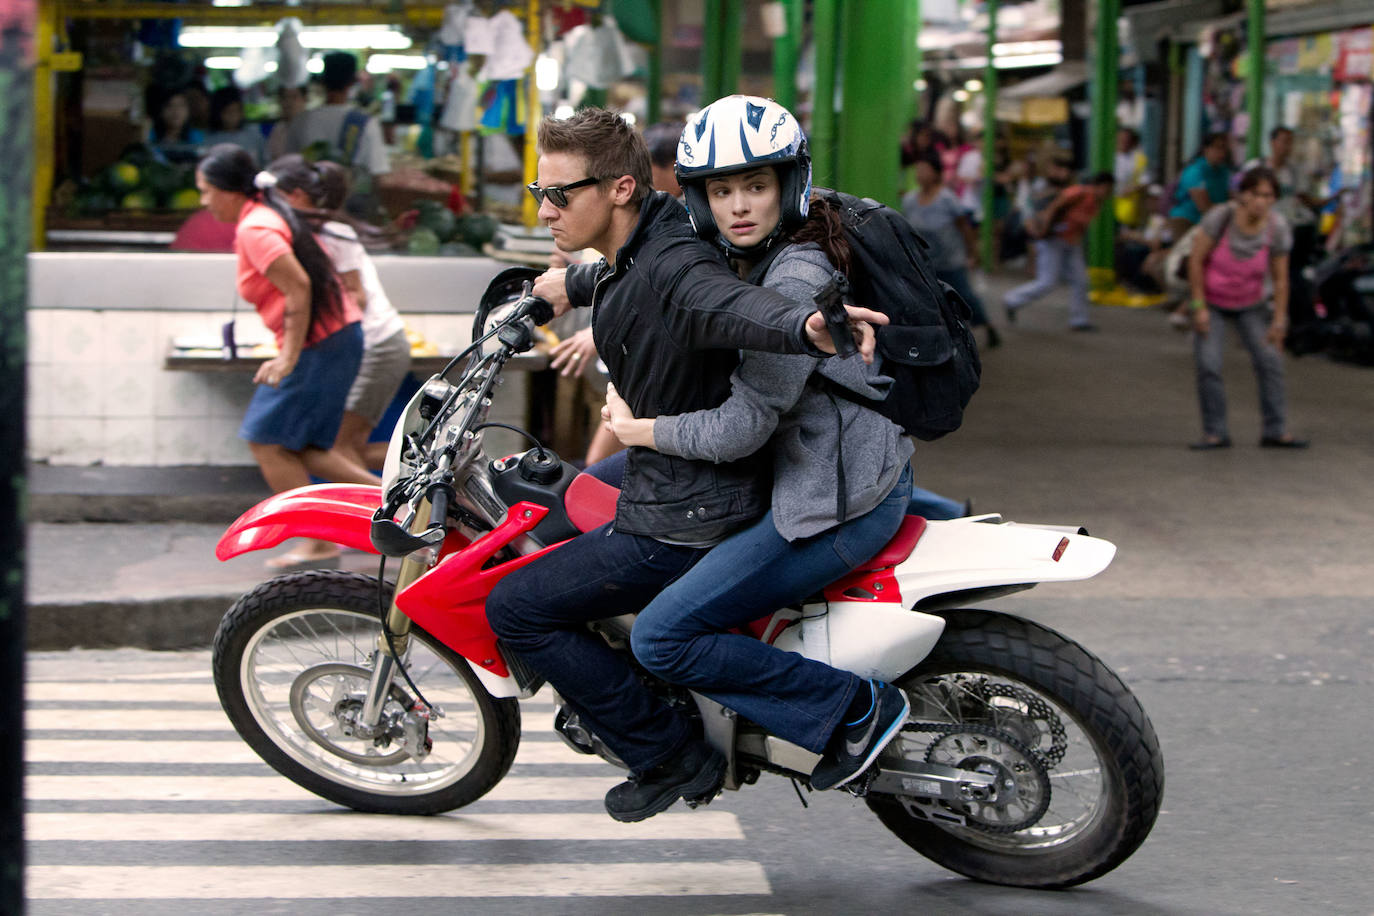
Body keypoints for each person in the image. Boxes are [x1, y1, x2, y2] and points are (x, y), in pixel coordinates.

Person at [482, 106, 887, 825]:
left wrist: (803, 329)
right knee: (563, 502)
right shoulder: (665, 230)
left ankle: (672, 751)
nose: (544, 210)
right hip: (710, 472)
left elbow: (717, 305)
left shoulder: (743, 270)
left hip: (759, 489)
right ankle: (631, 687)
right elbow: (632, 271)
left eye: (560, 195)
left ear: (619, 189)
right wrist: (562, 289)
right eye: (537, 193)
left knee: (524, 607)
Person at [596, 95, 916, 804]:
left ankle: (854, 711)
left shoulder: (793, 276)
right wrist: (577, 283)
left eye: (756, 186)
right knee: (596, 485)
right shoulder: (759, 248)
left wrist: (641, 429)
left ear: (788, 184)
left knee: (663, 637)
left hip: (829, 496)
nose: (740, 205)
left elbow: (741, 427)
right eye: (722, 190)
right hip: (835, 460)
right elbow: (676, 278)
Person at [194, 144, 376, 569]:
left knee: (267, 441)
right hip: (334, 339)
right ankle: (398, 505)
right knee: (307, 450)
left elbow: (298, 287)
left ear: (228, 191)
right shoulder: (262, 217)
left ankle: (317, 541)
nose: (203, 202)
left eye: (205, 192)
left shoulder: (255, 228)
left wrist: (288, 357)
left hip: (320, 345)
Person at [269, 155, 412, 472]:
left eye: (272, 198)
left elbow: (355, 298)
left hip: (375, 346)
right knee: (342, 449)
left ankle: (430, 474)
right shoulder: (307, 234)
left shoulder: (333, 234)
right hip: (369, 346)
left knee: (335, 449)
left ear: (295, 196)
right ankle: (434, 466)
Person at [1186, 167, 1308, 451]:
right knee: (1209, 364)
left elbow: (1280, 279)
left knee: (1270, 362)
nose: (1261, 201)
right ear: (1243, 195)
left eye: (1268, 196)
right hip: (1212, 302)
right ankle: (1215, 432)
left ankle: (1275, 430)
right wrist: (1198, 306)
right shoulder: (1221, 218)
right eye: (1256, 194)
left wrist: (1279, 320)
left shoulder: (1277, 228)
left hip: (1251, 305)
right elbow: (1195, 261)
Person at [902, 152, 999, 349]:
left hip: (951, 260)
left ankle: (988, 327)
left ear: (936, 173)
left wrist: (973, 252)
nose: (920, 174)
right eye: (917, 170)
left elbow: (964, 227)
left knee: (965, 297)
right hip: (925, 262)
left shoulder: (947, 199)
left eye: (924, 170)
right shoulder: (910, 200)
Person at [1003, 171, 1115, 331]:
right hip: (1053, 240)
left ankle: (1079, 320)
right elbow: (1053, 209)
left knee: (1081, 280)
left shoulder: (1097, 202)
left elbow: (1080, 224)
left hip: (1071, 243)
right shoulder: (1079, 192)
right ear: (1103, 186)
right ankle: (1011, 300)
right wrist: (1043, 231)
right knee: (1047, 282)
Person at [284, 52, 390, 195]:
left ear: (322, 81)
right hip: (351, 207)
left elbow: (288, 167)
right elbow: (378, 173)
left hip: (308, 203)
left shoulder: (301, 121)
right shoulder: (366, 123)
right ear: (353, 82)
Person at [204, 85, 265, 165]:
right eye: (228, 112)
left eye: (236, 111)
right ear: (217, 113)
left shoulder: (254, 137)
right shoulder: (209, 141)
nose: (233, 116)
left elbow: (264, 162)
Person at [146, 86, 204, 164]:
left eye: (181, 105)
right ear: (160, 110)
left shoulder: (196, 136)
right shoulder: (150, 135)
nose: (176, 111)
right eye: (169, 106)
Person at [1113, 128, 1151, 229]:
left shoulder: (1139, 158)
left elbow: (1145, 181)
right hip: (1110, 208)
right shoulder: (1109, 157)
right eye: (1121, 139)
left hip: (1131, 210)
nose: (1124, 142)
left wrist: (1132, 189)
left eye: (1127, 140)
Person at [265, 85, 307, 163]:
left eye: (294, 97)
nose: (289, 101)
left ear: (304, 99)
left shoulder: (311, 126)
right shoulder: (278, 129)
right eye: (285, 97)